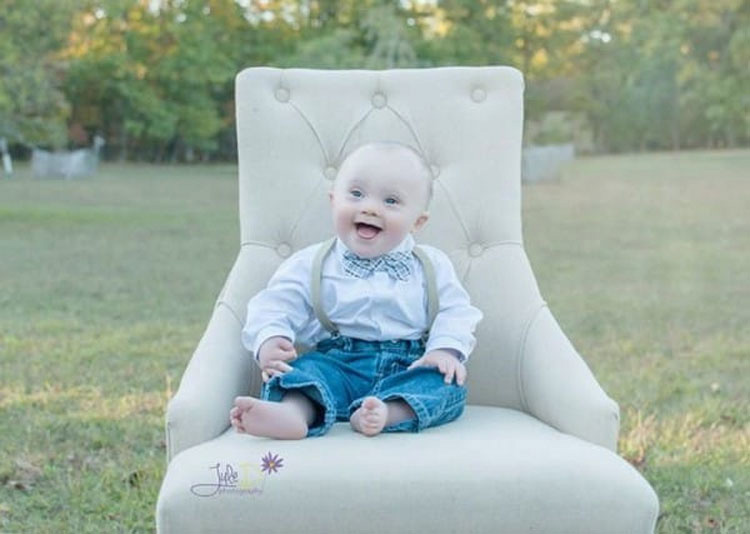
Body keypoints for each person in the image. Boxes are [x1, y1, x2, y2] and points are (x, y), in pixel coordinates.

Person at [230, 141, 483, 439]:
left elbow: (456, 311)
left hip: (409, 364)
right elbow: (275, 304)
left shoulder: (432, 264)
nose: (370, 207)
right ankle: (293, 414)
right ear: (333, 200)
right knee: (305, 371)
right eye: (357, 194)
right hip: (338, 362)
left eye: (391, 201)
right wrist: (271, 338)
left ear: (418, 222)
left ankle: (387, 413)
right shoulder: (313, 262)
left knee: (444, 384)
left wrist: (444, 350)